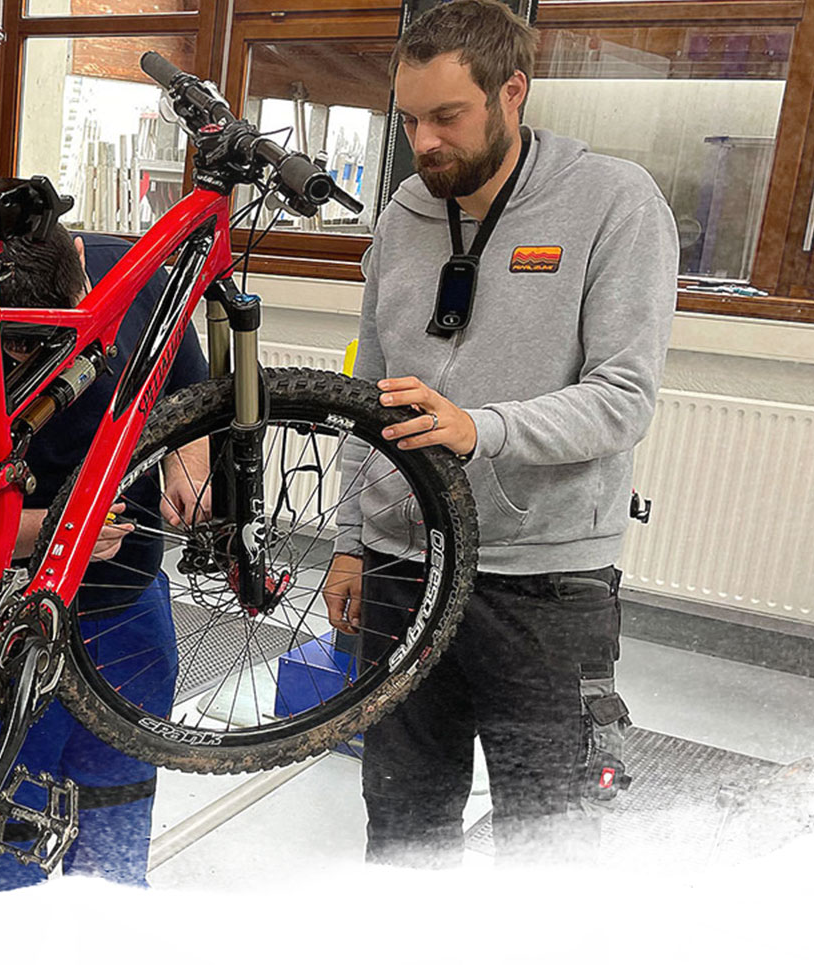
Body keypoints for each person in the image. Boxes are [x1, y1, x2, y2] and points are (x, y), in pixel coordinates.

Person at [321, 0, 677, 866]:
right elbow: (367, 391)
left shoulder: (613, 203)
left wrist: (479, 429)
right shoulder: (405, 210)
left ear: (512, 92)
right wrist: (351, 540)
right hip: (409, 570)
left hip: (544, 585)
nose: (425, 142)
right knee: (403, 829)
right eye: (410, 119)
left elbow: (623, 396)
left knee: (547, 844)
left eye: (448, 117)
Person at [0, 223, 209, 894]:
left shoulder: (143, 283)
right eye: (14, 347)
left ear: (82, 268)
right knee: (7, 851)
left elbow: (191, 396)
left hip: (126, 608)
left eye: (54, 340)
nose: (36, 363)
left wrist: (189, 464)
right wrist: (55, 530)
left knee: (116, 839)